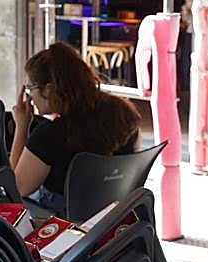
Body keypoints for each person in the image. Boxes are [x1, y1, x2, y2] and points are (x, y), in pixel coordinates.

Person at [11, 41, 141, 211]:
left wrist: (21, 127)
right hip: (112, 214)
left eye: (30, 88)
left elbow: (17, 188)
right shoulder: (124, 112)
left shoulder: (50, 135)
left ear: (49, 90)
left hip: (64, 221)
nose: (30, 97)